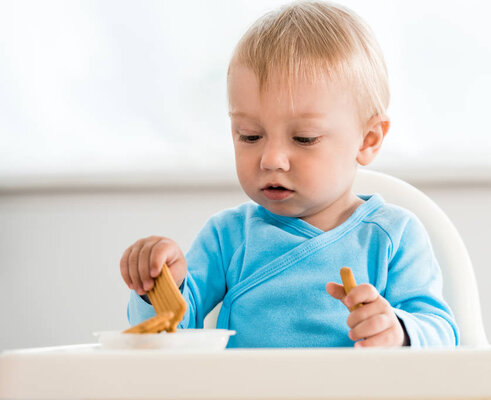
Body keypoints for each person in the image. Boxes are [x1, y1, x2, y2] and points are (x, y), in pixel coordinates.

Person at [121, 0, 458, 348]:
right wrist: (160, 287)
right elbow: (170, 335)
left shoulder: (393, 237)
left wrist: (398, 332)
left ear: (368, 140)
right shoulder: (229, 237)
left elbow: (442, 334)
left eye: (304, 139)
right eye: (250, 135)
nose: (271, 159)